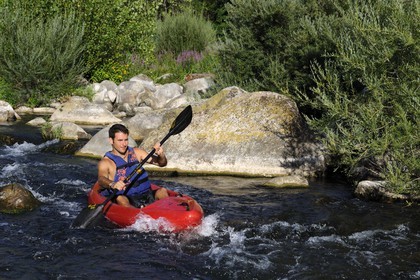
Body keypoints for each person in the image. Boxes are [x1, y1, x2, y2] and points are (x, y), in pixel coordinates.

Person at [97, 124, 169, 207]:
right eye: (120, 140)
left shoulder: (137, 152)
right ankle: (138, 217)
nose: (124, 144)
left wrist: (161, 155)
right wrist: (113, 184)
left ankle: (170, 213)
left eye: (126, 140)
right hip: (127, 198)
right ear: (111, 140)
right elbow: (101, 179)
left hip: (146, 194)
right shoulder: (106, 162)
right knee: (121, 199)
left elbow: (162, 163)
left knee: (162, 191)